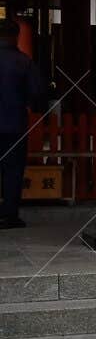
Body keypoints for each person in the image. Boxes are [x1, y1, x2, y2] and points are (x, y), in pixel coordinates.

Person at [0, 19, 49, 229]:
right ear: (16, 36)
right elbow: (37, 94)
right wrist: (33, 106)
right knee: (13, 170)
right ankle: (9, 215)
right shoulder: (24, 62)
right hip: (13, 125)